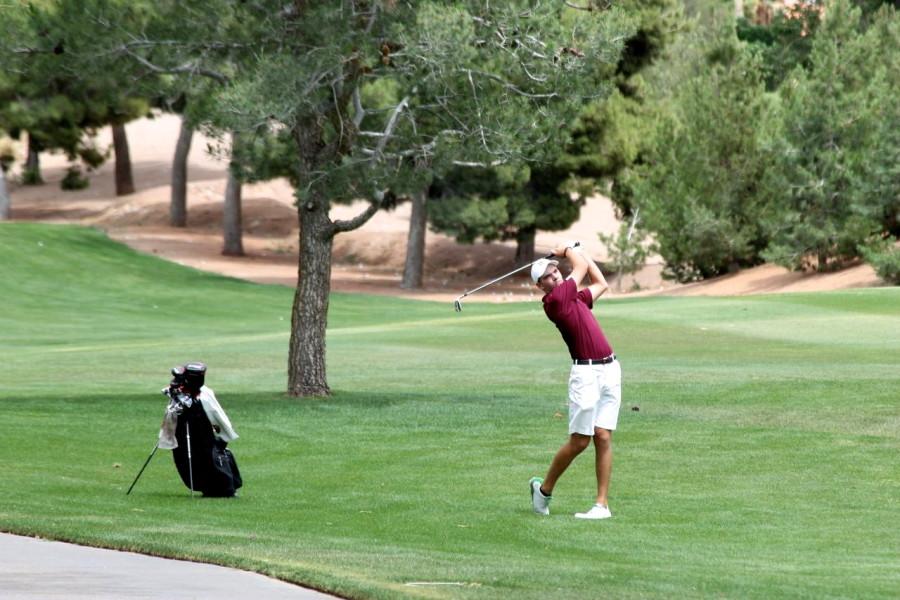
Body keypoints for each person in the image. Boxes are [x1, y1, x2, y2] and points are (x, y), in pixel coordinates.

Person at [528, 242, 621, 519]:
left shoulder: (576, 299)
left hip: (610, 369)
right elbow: (578, 268)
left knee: (603, 436)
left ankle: (601, 505)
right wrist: (568, 250)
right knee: (580, 441)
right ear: (541, 286)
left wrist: (586, 254)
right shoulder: (554, 302)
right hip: (585, 374)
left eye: (555, 271)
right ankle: (543, 491)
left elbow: (601, 282)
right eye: (547, 276)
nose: (555, 276)